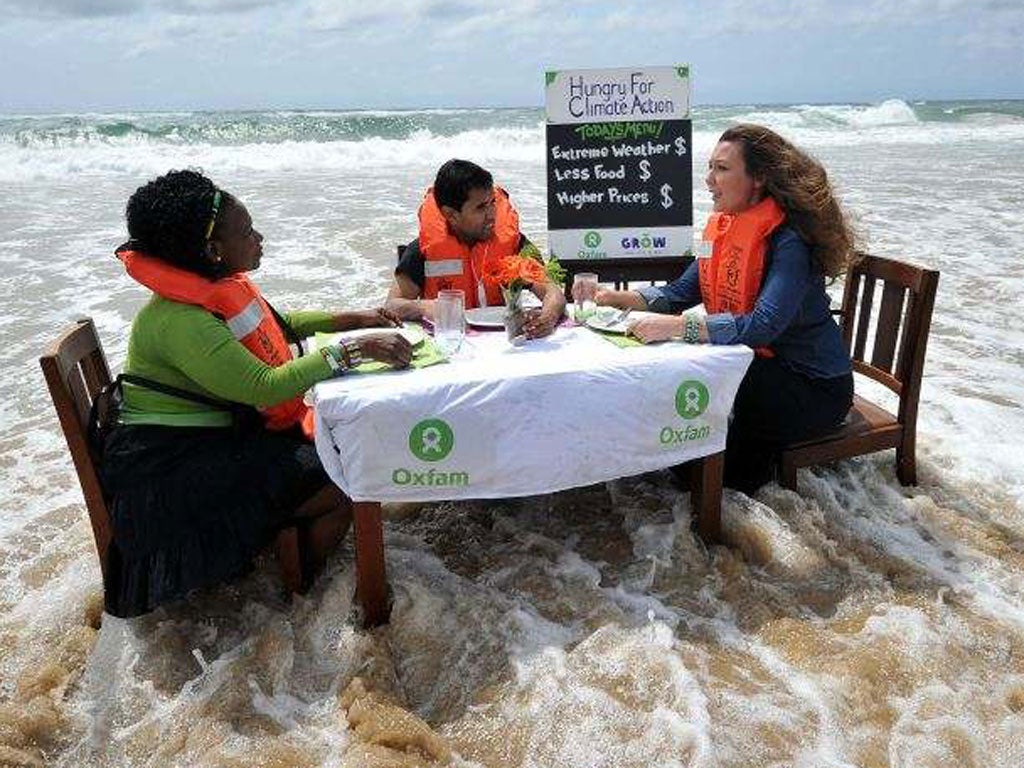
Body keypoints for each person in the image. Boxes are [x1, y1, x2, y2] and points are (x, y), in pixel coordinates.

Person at [101, 169, 413, 617]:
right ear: (213, 250)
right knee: (346, 478)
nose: (259, 237)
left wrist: (354, 319)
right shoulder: (180, 321)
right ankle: (300, 595)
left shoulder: (213, 293)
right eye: (247, 232)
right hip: (171, 471)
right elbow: (263, 388)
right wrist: (353, 350)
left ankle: (291, 562)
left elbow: (278, 323)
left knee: (339, 452)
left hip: (210, 439)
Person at [597, 124, 856, 493]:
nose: (708, 180)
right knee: (683, 431)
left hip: (812, 387)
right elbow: (679, 292)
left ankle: (741, 485)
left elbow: (761, 326)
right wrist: (610, 297)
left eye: (721, 169)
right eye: (710, 168)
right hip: (757, 368)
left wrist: (675, 327)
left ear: (759, 178)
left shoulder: (789, 243)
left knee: (697, 463)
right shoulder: (722, 229)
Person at [386, 159, 566, 339]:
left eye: (492, 203)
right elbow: (392, 305)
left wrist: (548, 318)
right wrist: (424, 307)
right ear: (451, 215)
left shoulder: (514, 244)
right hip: (453, 344)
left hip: (505, 344)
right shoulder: (421, 250)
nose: (492, 215)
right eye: (481, 207)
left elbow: (553, 291)